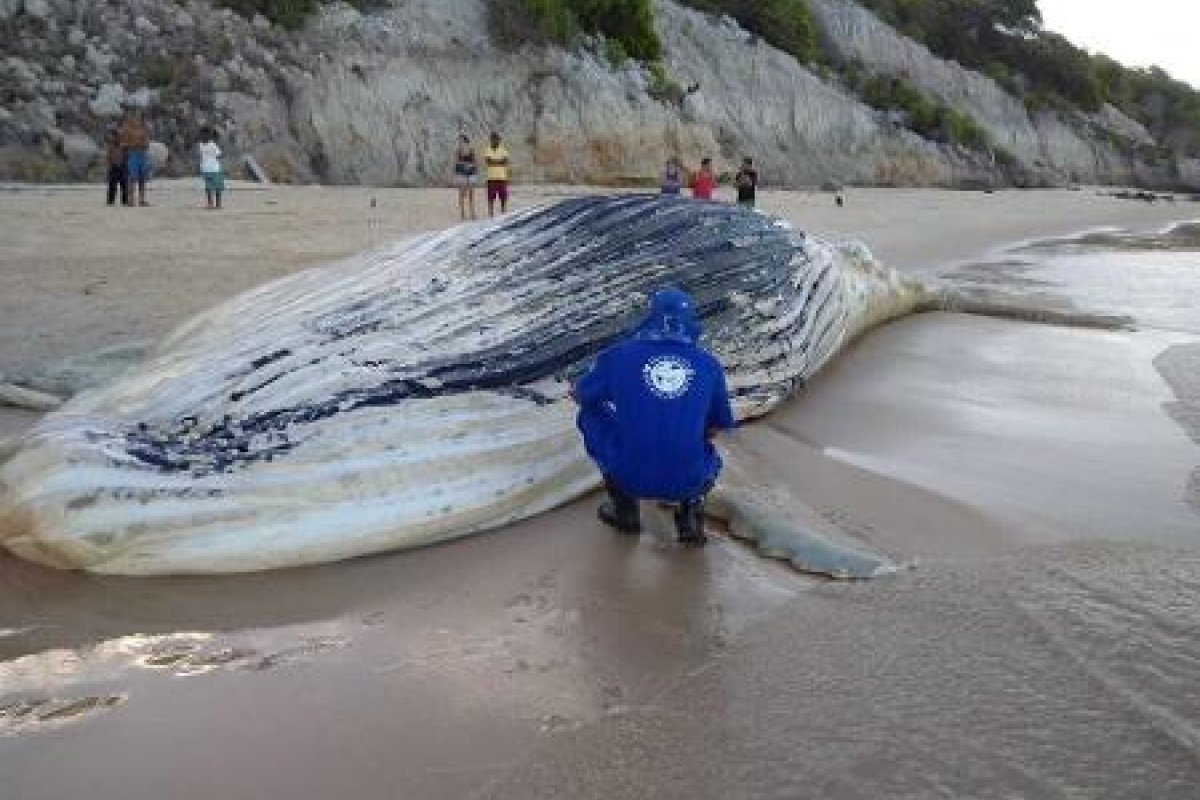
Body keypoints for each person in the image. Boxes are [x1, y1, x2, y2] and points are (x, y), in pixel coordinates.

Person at [573, 288, 736, 546]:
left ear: (649, 316)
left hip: (628, 474)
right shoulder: (709, 364)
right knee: (706, 447)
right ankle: (690, 516)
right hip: (689, 479)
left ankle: (625, 511)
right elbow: (720, 424)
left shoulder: (618, 355)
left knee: (589, 414)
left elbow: (582, 395)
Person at [118, 108, 152, 207]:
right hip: (133, 154)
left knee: (142, 178)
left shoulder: (144, 128)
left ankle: (142, 199)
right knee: (132, 178)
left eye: (139, 117)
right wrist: (132, 144)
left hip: (143, 154)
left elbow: (147, 142)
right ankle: (130, 200)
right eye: (136, 117)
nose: (137, 119)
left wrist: (144, 144)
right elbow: (122, 143)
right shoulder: (127, 129)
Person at [484, 131, 510, 216]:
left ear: (499, 140)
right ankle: (490, 215)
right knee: (491, 198)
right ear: (491, 140)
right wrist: (499, 161)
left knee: (503, 198)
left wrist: (494, 162)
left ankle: (504, 214)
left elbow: (505, 162)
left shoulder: (503, 149)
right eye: (493, 139)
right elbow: (488, 162)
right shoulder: (487, 149)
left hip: (502, 177)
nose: (494, 141)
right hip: (491, 177)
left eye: (496, 139)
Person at [452, 133, 478, 220]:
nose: (459, 142)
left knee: (471, 193)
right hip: (461, 173)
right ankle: (463, 212)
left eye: (461, 140)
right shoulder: (457, 151)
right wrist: (465, 164)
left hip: (471, 172)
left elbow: (475, 162)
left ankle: (472, 212)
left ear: (465, 141)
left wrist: (471, 166)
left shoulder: (471, 150)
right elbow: (456, 162)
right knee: (462, 193)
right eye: (459, 140)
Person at [198, 128, 224, 210]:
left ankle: (212, 203)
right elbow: (219, 155)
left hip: (209, 168)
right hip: (212, 168)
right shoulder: (212, 145)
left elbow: (201, 155)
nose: (203, 137)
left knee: (211, 187)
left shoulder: (204, 145)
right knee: (215, 186)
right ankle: (216, 203)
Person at [103, 128, 128, 206]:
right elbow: (108, 157)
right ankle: (110, 201)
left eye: (116, 136)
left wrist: (124, 165)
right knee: (112, 186)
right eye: (114, 136)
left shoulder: (124, 146)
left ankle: (125, 201)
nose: (115, 138)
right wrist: (109, 166)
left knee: (124, 186)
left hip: (122, 167)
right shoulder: (110, 146)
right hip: (113, 167)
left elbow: (126, 156)